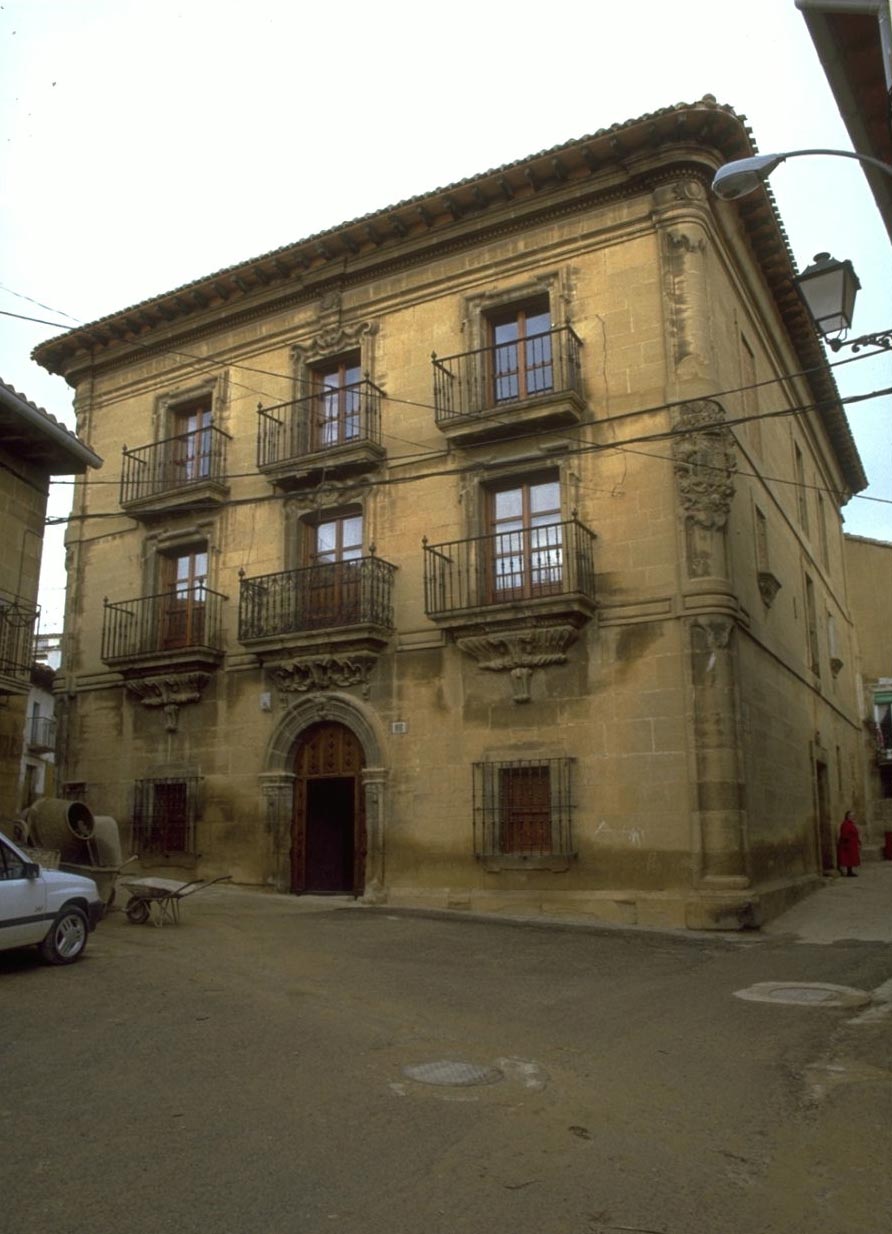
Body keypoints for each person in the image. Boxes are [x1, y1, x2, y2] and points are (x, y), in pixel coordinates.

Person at [837, 810, 861, 878]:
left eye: (853, 816)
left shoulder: (851, 824)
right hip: (848, 844)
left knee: (851, 858)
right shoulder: (846, 824)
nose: (852, 817)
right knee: (849, 858)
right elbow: (844, 835)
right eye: (851, 816)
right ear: (847, 816)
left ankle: (850, 871)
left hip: (852, 844)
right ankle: (849, 872)